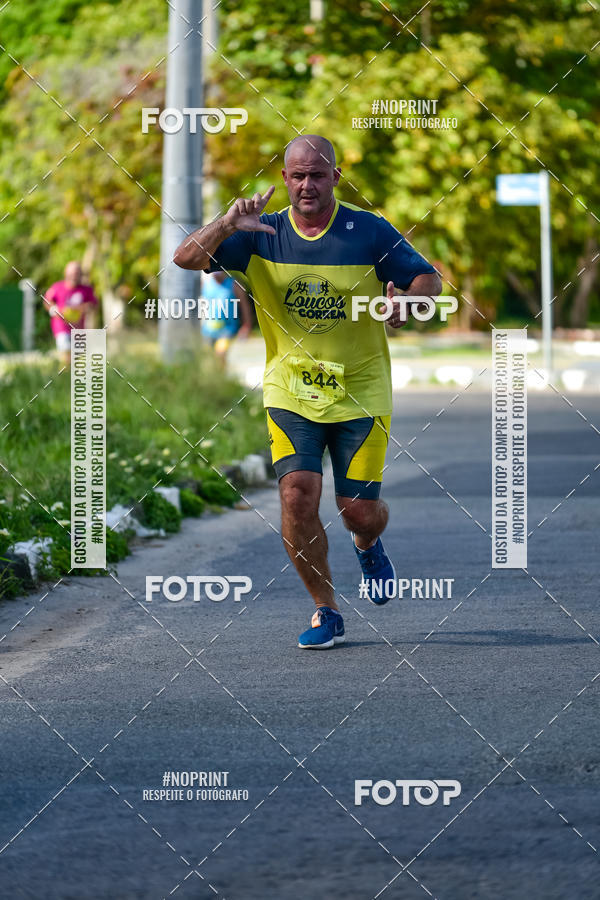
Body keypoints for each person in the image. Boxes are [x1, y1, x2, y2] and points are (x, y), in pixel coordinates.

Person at [173, 135, 441, 650]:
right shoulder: (259, 232)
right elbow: (185, 258)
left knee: (357, 511)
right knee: (298, 493)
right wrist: (228, 223)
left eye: (317, 175)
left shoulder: (367, 229)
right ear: (284, 180)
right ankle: (326, 609)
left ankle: (368, 542)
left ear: (335, 178)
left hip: (360, 391)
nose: (307, 185)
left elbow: (428, 279)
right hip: (290, 389)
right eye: (297, 175)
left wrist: (409, 307)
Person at [44, 261, 98, 366]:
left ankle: (71, 376)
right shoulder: (57, 287)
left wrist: (84, 308)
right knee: (66, 353)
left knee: (78, 359)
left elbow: (94, 304)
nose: (74, 276)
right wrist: (54, 310)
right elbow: (47, 300)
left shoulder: (86, 290)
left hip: (78, 328)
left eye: (77, 273)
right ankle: (65, 373)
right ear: (66, 274)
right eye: (71, 273)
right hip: (61, 327)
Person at [200, 269, 253, 367]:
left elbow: (245, 306)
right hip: (207, 331)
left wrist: (246, 326)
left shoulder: (234, 284)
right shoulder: (205, 283)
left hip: (227, 331)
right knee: (207, 361)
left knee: (220, 353)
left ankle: (220, 379)